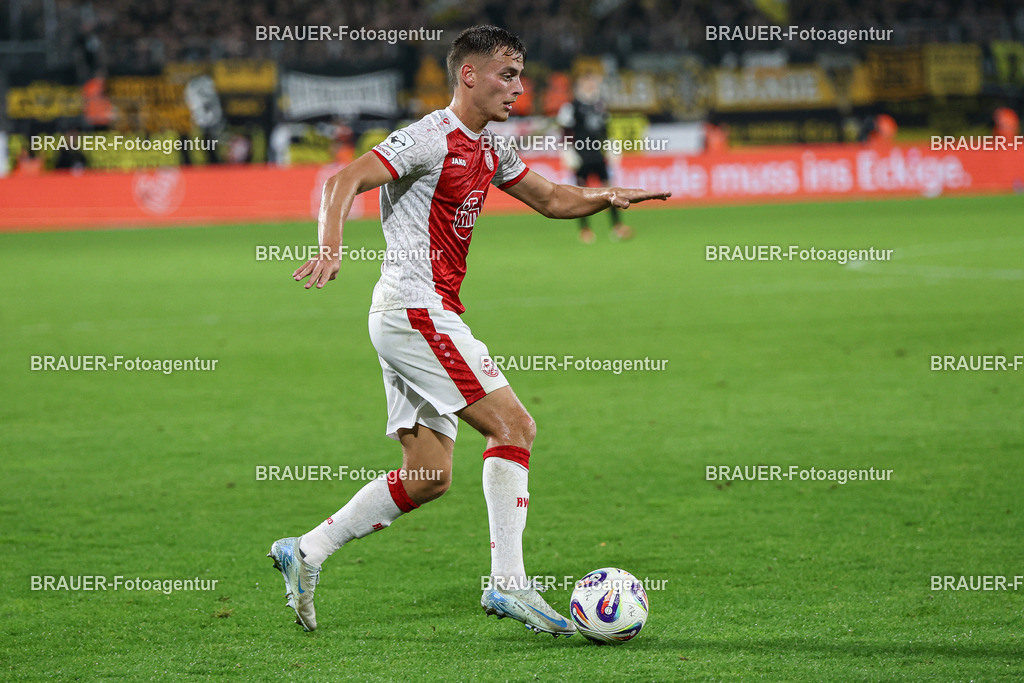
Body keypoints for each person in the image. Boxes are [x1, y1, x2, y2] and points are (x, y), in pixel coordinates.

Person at [268, 25, 669, 638]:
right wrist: (330, 247)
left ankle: (306, 550)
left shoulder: (492, 149)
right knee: (515, 427)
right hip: (415, 309)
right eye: (507, 75)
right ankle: (509, 583)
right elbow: (340, 180)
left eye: (521, 75)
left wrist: (609, 195)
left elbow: (553, 199)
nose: (518, 87)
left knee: (429, 474)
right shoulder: (428, 137)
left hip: (415, 315)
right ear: (469, 75)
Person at [556, 72, 634, 243]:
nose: (591, 86)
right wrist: (567, 152)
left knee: (610, 191)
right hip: (581, 156)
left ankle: (617, 227)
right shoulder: (571, 107)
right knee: (581, 194)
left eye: (592, 83)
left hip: (598, 155)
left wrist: (612, 147)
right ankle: (585, 230)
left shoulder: (600, 106)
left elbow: (605, 131)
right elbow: (565, 132)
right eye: (587, 83)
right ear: (579, 86)